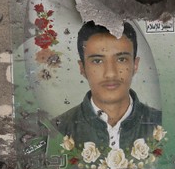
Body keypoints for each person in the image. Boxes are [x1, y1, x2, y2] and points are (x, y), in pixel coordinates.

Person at [55, 21, 162, 156]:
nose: (111, 73)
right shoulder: (57, 129)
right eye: (97, 61)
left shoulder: (163, 124)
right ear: (82, 68)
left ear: (135, 65)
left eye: (121, 59)